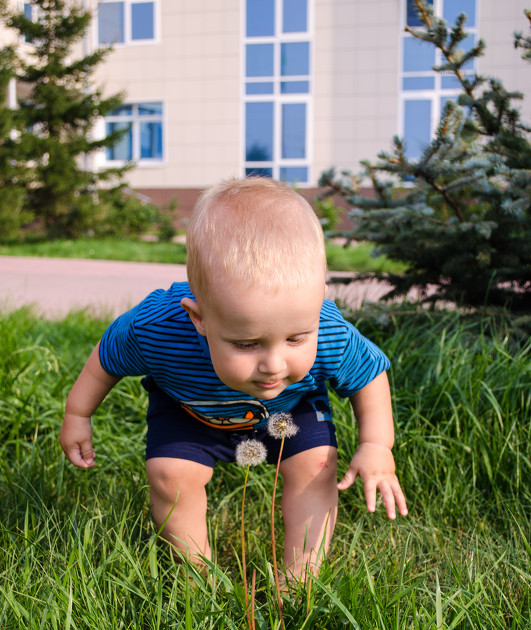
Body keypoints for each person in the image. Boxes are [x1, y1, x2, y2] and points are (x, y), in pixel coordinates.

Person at [60, 177, 407, 581]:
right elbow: (107, 358)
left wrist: (376, 444)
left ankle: (300, 577)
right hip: (190, 409)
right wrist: (78, 412)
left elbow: (369, 374)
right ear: (200, 319)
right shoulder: (157, 327)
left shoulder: (327, 328)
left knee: (316, 466)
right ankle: (196, 578)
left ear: (319, 300)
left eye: (296, 338)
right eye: (247, 344)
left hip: (291, 409)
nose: (274, 364)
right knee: (170, 475)